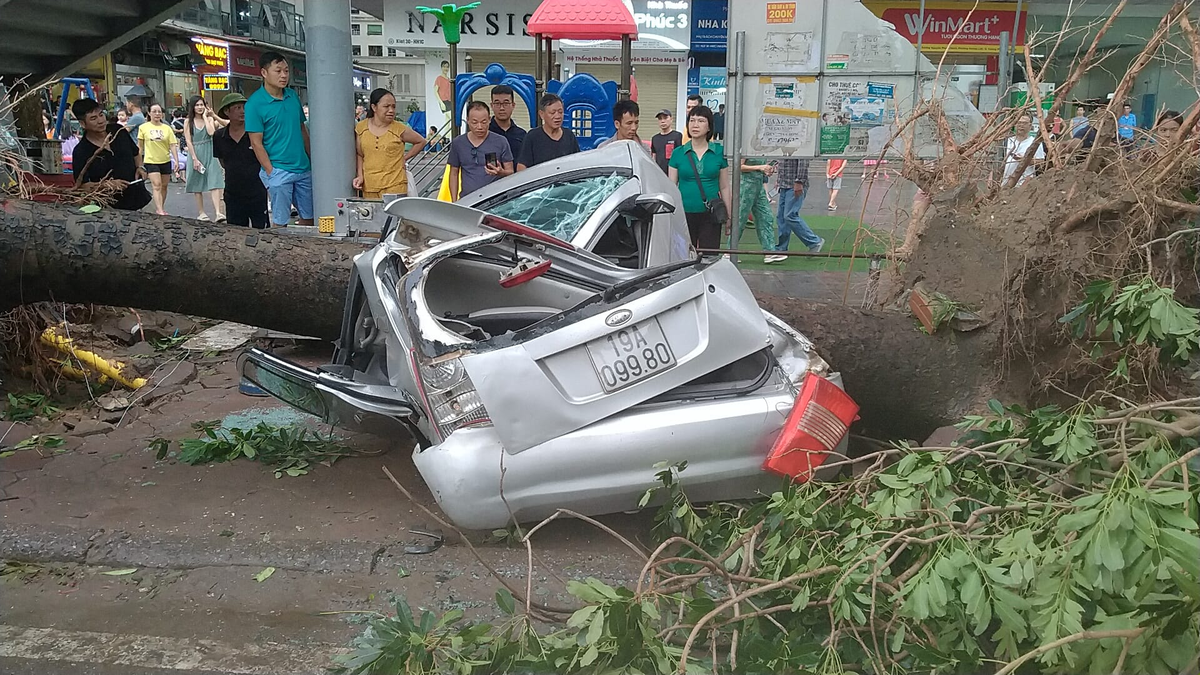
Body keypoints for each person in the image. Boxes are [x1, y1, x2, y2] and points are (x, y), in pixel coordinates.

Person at [245, 51, 314, 227]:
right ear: (264, 73)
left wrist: (311, 158)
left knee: (310, 217)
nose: (284, 75)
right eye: (278, 71)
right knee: (280, 221)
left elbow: (302, 129)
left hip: (304, 168)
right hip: (279, 170)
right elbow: (255, 142)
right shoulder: (254, 104)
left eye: (286, 71)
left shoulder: (292, 96)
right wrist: (271, 172)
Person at [668, 105, 731, 252]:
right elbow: (671, 186)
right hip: (683, 214)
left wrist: (728, 214)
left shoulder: (719, 152)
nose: (695, 125)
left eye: (701, 121)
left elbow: (725, 186)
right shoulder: (678, 153)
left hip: (711, 214)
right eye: (692, 120)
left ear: (709, 126)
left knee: (708, 256)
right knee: (682, 256)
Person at [69, 98, 149, 211]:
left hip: (139, 199)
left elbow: (135, 153)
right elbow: (82, 186)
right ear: (82, 124)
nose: (100, 121)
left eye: (101, 115)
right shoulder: (81, 151)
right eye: (93, 118)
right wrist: (106, 185)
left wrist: (140, 167)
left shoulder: (119, 131)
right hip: (107, 207)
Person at [353, 87, 426, 199]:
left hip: (395, 185)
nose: (391, 110)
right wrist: (360, 176)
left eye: (393, 106)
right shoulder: (361, 127)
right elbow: (360, 154)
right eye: (386, 106)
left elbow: (421, 141)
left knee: (393, 216)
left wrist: (405, 158)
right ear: (374, 107)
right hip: (369, 186)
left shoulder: (399, 128)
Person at [212, 92, 269, 229]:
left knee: (262, 231)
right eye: (237, 108)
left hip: (257, 191)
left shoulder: (255, 133)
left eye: (245, 107)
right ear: (227, 111)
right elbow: (222, 161)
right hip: (233, 193)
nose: (242, 111)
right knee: (235, 233)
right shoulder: (219, 136)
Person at [448, 101, 514, 201]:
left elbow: (511, 172)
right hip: (468, 199)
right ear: (468, 121)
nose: (479, 127)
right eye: (474, 122)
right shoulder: (458, 143)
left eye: (484, 122)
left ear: (489, 120)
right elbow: (453, 173)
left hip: (495, 199)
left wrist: (501, 172)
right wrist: (454, 201)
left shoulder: (501, 141)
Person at [183, 95, 228, 221]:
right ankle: (201, 212)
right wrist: (194, 159)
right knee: (197, 182)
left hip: (210, 150)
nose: (199, 107)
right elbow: (188, 141)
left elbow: (211, 132)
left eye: (201, 105)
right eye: (197, 105)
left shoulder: (208, 119)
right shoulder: (188, 122)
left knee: (214, 181)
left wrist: (205, 117)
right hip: (196, 152)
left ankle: (218, 212)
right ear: (192, 107)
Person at [136, 103, 180, 216]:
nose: (157, 114)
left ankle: (161, 206)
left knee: (164, 186)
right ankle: (159, 210)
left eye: (159, 111)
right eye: (154, 111)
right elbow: (140, 147)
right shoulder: (143, 127)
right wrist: (139, 163)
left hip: (165, 160)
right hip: (151, 160)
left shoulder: (167, 128)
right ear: (149, 113)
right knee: (157, 184)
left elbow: (173, 145)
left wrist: (176, 161)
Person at [516, 93, 579, 170]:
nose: (557, 116)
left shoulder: (569, 136)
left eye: (560, 112)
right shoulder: (532, 137)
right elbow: (522, 166)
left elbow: (577, 163)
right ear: (541, 114)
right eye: (552, 113)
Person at [774, 157, 823, 254]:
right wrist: (779, 180)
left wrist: (799, 181)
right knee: (781, 218)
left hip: (794, 185)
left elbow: (803, 161)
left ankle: (814, 241)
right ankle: (781, 248)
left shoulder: (800, 146)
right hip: (784, 184)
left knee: (790, 215)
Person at [739, 159, 783, 263]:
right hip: (746, 186)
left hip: (758, 186)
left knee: (766, 216)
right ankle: (729, 251)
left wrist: (766, 169)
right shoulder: (746, 146)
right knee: (740, 218)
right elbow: (739, 166)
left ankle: (769, 251)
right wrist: (759, 167)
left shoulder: (760, 150)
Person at [1003, 115, 1044, 187]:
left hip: (1024, 185)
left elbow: (1041, 163)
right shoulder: (1006, 141)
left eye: (1024, 123)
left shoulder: (1034, 142)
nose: (1021, 125)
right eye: (1019, 123)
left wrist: (1025, 160)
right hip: (1003, 183)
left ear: (1030, 125)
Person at [489, 84, 526, 160]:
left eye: (506, 103)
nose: (502, 108)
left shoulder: (522, 135)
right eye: (497, 103)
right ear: (491, 105)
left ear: (513, 105)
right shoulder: (485, 132)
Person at [650, 109, 683, 174]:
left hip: (673, 172)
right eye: (660, 119)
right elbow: (654, 156)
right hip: (659, 174)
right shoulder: (655, 138)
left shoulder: (677, 136)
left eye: (665, 118)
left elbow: (680, 156)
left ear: (671, 119)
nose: (663, 121)